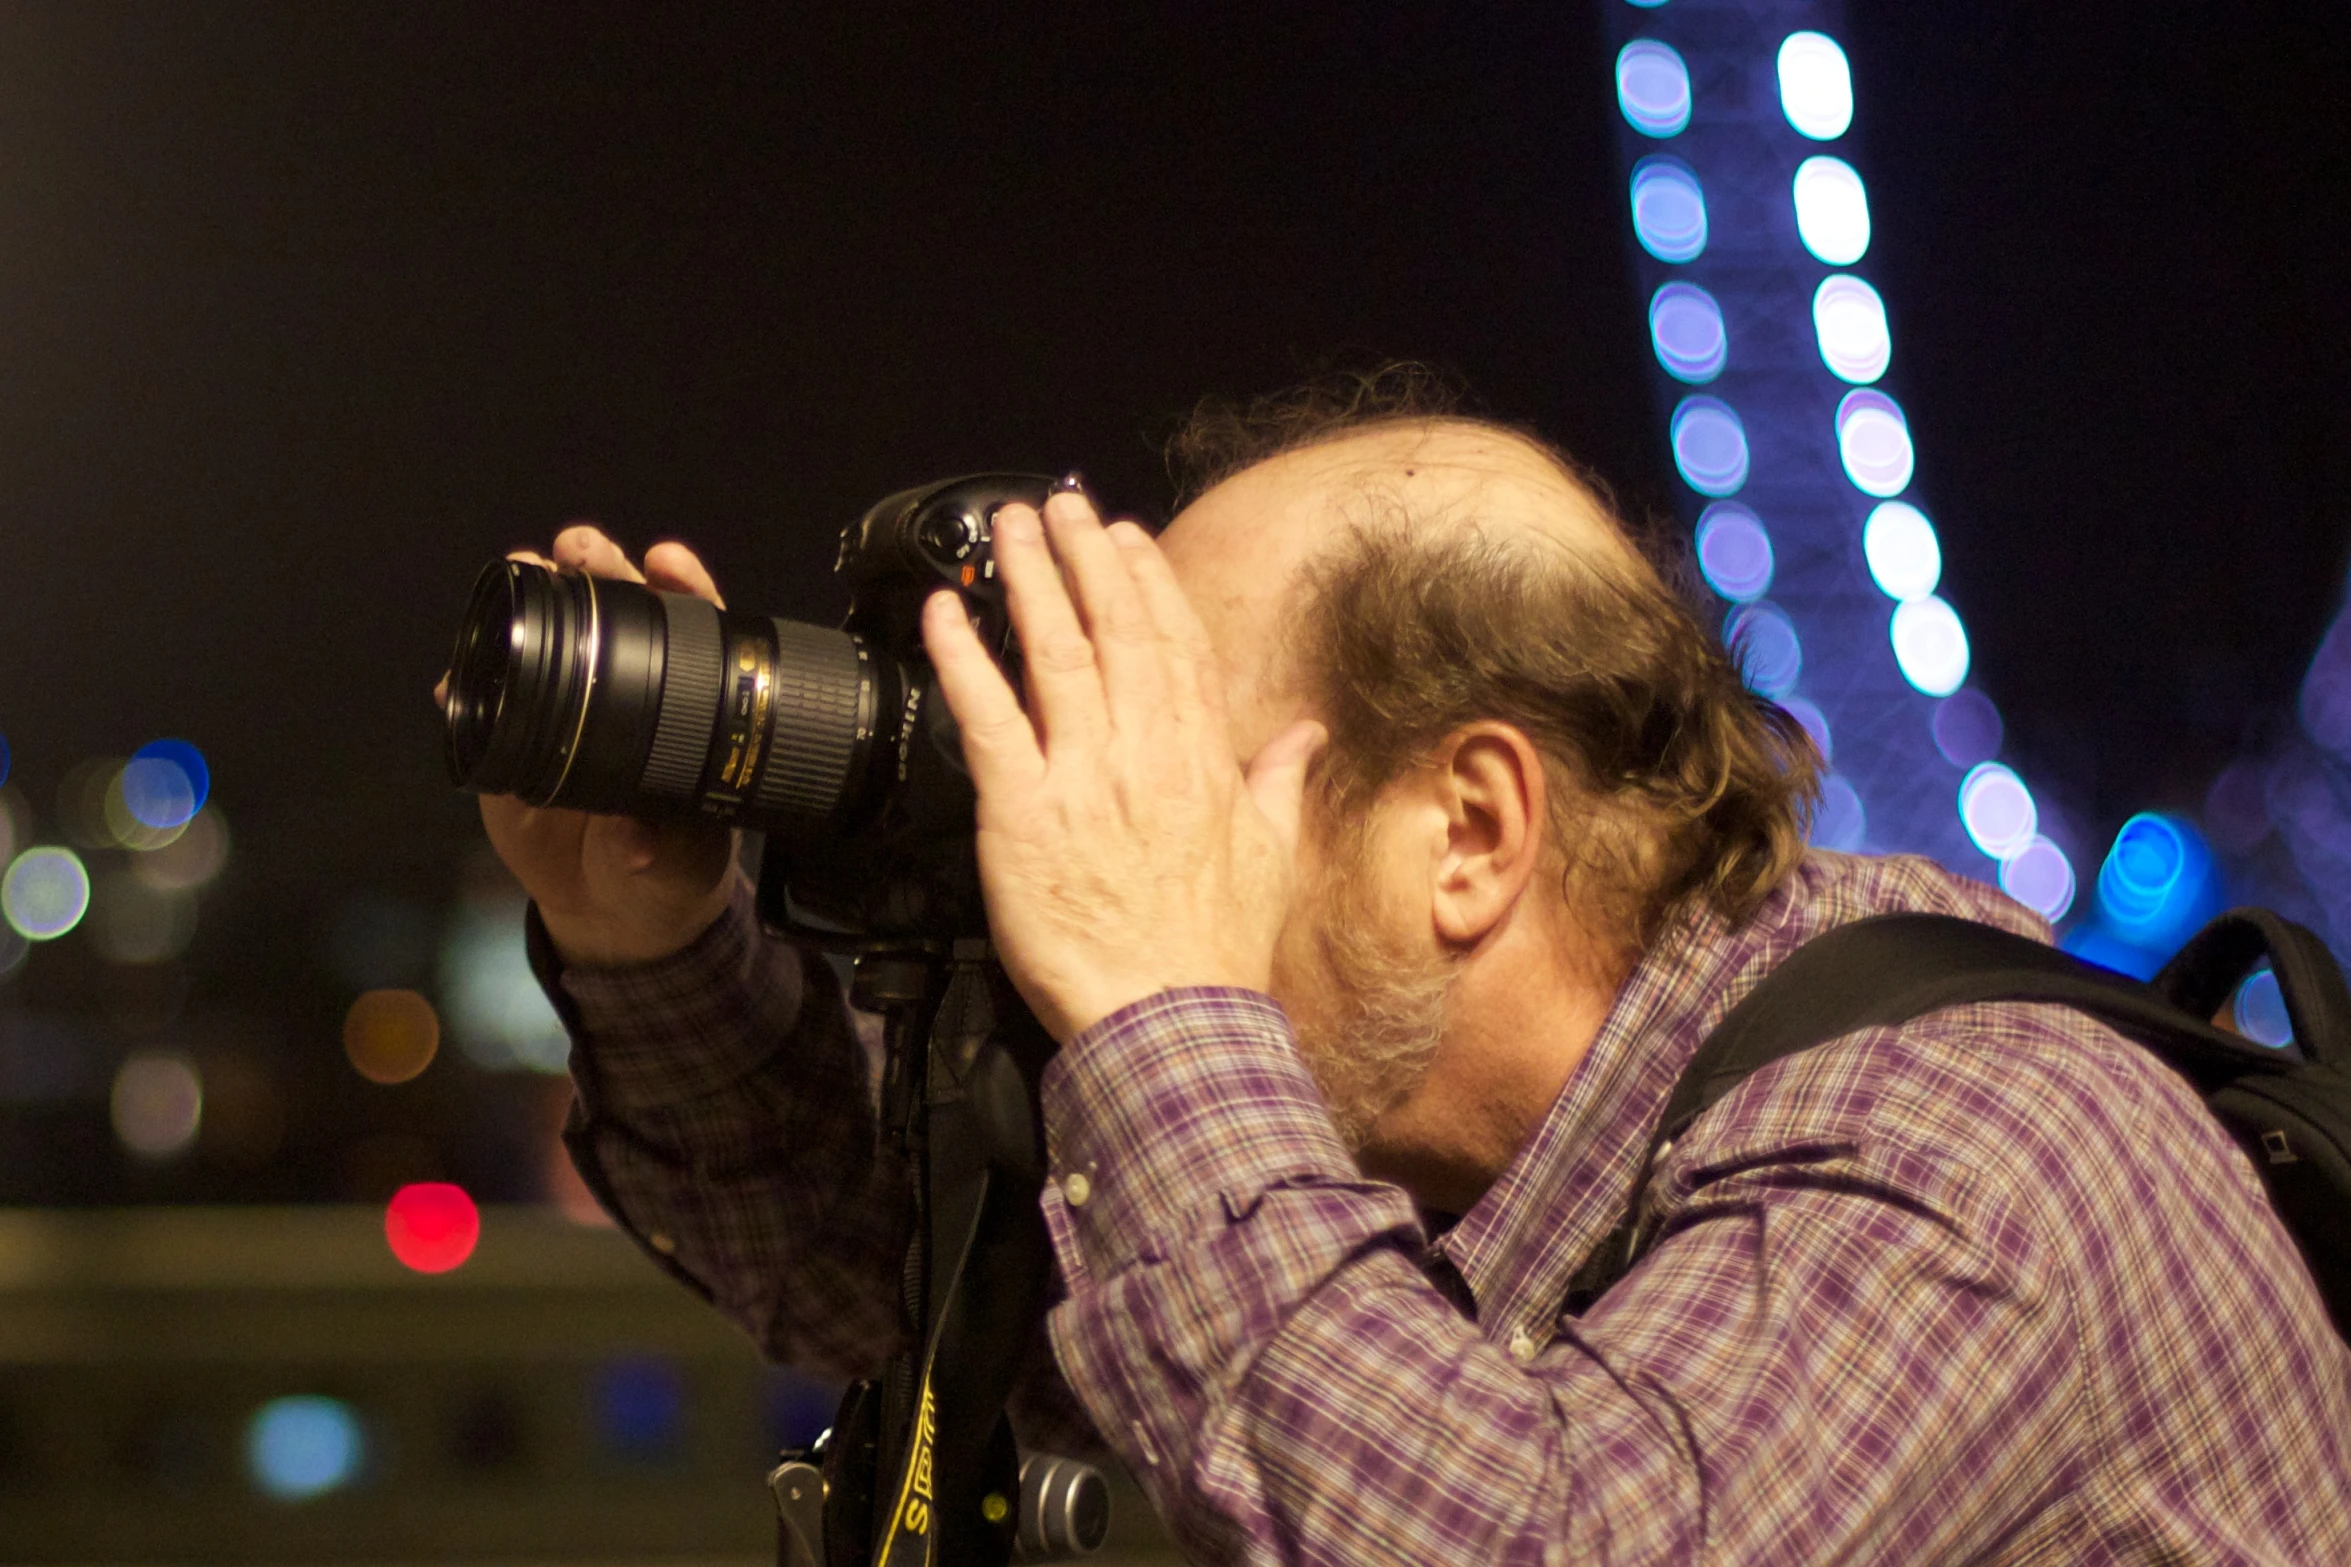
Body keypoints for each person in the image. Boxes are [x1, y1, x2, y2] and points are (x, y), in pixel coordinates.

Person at [481, 374, 2351, 1563]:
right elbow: (889, 1281)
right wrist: (653, 932)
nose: (1094, 827)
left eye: (1168, 766)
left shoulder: (1977, 1144)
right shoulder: (1441, 1167)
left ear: (1468, 830)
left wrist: (1153, 1011)